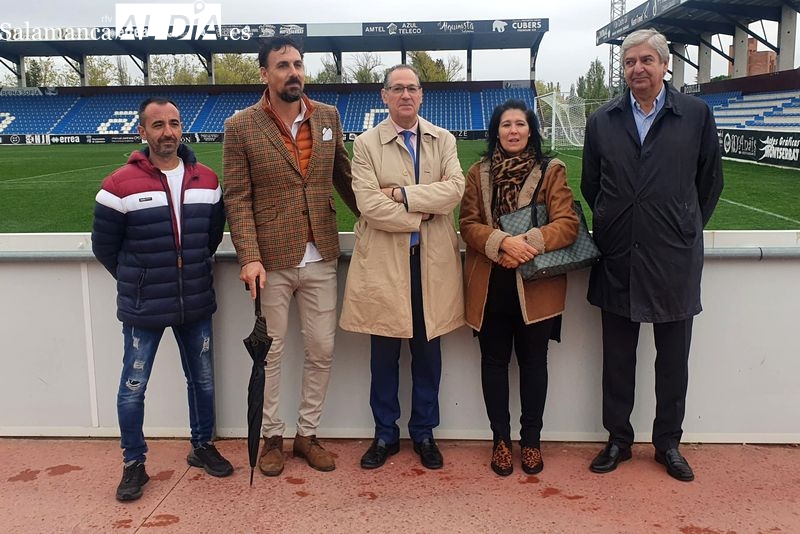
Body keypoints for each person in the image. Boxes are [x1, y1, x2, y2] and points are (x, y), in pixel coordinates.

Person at [581, 28, 723, 482]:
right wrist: (617, 220)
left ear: (664, 65)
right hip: (618, 253)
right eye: (629, 62)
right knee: (617, 358)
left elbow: (709, 183)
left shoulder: (697, 115)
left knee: (673, 358)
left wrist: (679, 226)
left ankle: (668, 444)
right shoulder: (603, 119)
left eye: (646, 60)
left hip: (673, 257)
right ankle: (618, 439)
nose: (637, 69)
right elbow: (591, 185)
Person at [223, 36, 359, 477]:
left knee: (322, 348)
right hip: (271, 259)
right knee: (272, 354)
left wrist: (381, 219)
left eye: (298, 64)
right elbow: (238, 198)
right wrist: (248, 256)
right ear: (265, 73)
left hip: (320, 254)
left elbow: (345, 177)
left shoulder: (328, 117)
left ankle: (308, 434)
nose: (293, 72)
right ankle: (272, 438)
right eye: (282, 65)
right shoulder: (240, 126)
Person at [92, 97, 231, 502]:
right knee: (133, 387)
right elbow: (105, 248)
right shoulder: (117, 186)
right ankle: (134, 463)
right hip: (143, 307)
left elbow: (210, 237)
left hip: (195, 301)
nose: (167, 132)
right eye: (158, 125)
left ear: (181, 127)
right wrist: (142, 280)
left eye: (173, 123)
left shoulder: (207, 179)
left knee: (202, 381)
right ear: (143, 132)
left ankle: (202, 446)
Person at [339, 64, 465, 471]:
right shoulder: (365, 144)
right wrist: (419, 215)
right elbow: (369, 205)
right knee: (384, 355)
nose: (406, 95)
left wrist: (402, 195)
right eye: (398, 88)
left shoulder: (442, 139)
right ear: (385, 95)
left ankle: (425, 432)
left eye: (412, 88)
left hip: (431, 266)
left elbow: (454, 192)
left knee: (429, 356)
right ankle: (385, 434)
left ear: (421, 95)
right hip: (383, 267)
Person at [459, 99, 578, 476]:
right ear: (496, 130)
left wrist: (525, 243)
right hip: (491, 284)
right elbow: (467, 223)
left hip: (536, 284)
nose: (513, 131)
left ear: (531, 130)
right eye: (506, 124)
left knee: (533, 363)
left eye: (520, 124)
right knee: (493, 363)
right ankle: (499, 440)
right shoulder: (477, 172)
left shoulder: (551, 170)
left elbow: (567, 223)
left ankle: (530, 441)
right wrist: (500, 243)